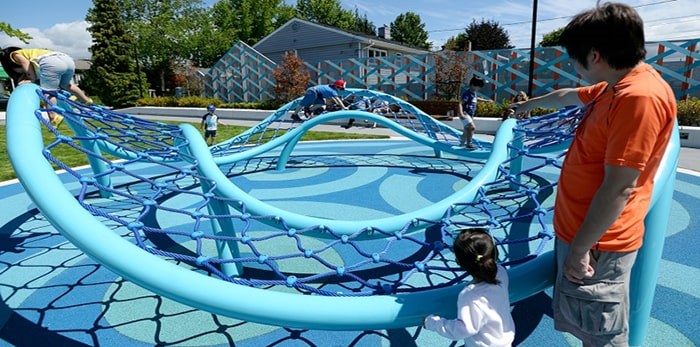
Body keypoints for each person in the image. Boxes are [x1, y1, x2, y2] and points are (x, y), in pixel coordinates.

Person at [511, 3, 676, 346]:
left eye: (575, 59)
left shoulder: (638, 98)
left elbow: (619, 186)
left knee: (602, 334)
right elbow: (569, 96)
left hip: (599, 245)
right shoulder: (612, 87)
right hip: (583, 234)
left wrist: (580, 249)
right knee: (587, 327)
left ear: (596, 55)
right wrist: (527, 106)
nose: (574, 66)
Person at [423, 228, 515, 347]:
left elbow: (463, 329)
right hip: (505, 340)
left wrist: (432, 323)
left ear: (459, 262)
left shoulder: (470, 295)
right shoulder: (501, 273)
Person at [0, 47, 92, 128]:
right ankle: (85, 99)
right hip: (68, 60)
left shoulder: (15, 55)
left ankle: (53, 116)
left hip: (51, 62)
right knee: (66, 85)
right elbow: (28, 66)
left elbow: (25, 62)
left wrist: (30, 78)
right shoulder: (30, 52)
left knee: (48, 92)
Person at [457, 76, 485, 150]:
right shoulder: (467, 93)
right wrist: (461, 113)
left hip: (470, 114)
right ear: (472, 85)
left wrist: (486, 101)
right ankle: (469, 143)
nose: (478, 89)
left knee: (467, 129)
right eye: (478, 87)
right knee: (472, 127)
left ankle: (461, 144)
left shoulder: (474, 93)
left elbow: (476, 99)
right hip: (465, 113)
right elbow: (460, 103)